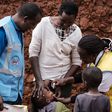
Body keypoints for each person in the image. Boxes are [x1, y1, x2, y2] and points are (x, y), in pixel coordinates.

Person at [29, 0, 82, 98]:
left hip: (63, 84)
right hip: (43, 81)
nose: (65, 25)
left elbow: (77, 62)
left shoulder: (76, 32)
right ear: (58, 13)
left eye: (70, 22)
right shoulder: (43, 24)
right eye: (63, 20)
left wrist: (63, 82)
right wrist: (39, 80)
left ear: (75, 18)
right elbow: (33, 53)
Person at [0, 2, 42, 109]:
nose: (32, 28)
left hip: (13, 95)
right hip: (2, 98)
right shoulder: (3, 31)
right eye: (32, 24)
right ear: (25, 19)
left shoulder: (18, 30)